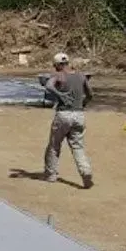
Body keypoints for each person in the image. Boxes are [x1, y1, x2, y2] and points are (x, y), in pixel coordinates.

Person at [39, 52, 94, 188]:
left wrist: (60, 95)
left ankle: (51, 174)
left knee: (54, 145)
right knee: (78, 146)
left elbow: (49, 86)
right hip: (79, 115)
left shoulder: (59, 75)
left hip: (63, 115)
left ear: (58, 65)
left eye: (55, 65)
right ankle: (86, 171)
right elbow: (90, 94)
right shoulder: (81, 76)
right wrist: (83, 104)